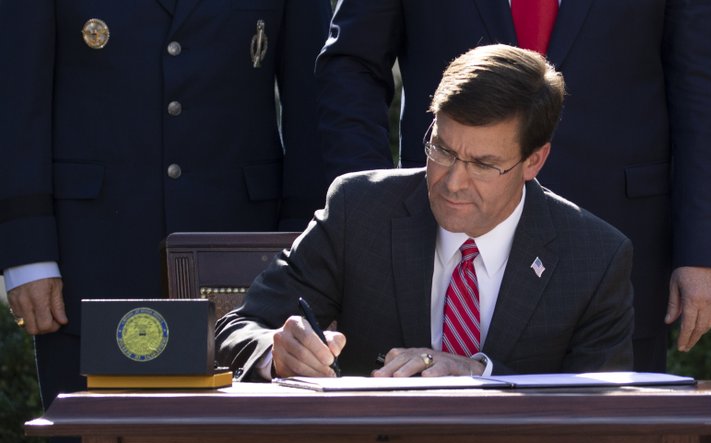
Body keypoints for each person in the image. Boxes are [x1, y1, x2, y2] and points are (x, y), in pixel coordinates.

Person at [0, 2, 332, 443]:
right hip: (94, 255)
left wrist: (304, 251)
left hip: (242, 263)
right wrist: (26, 249)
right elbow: (15, 93)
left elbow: (313, 96)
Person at [314, 0, 711, 375]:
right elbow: (352, 65)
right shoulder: (373, 223)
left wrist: (702, 250)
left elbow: (701, 85)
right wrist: (372, 215)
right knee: (404, 440)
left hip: (613, 233)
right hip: (436, 234)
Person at [218, 43, 633, 390]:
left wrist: (479, 375)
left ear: (534, 161)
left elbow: (600, 406)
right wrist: (277, 352)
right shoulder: (359, 210)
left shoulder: (594, 257)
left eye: (483, 164)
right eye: (443, 150)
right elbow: (238, 328)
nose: (453, 182)